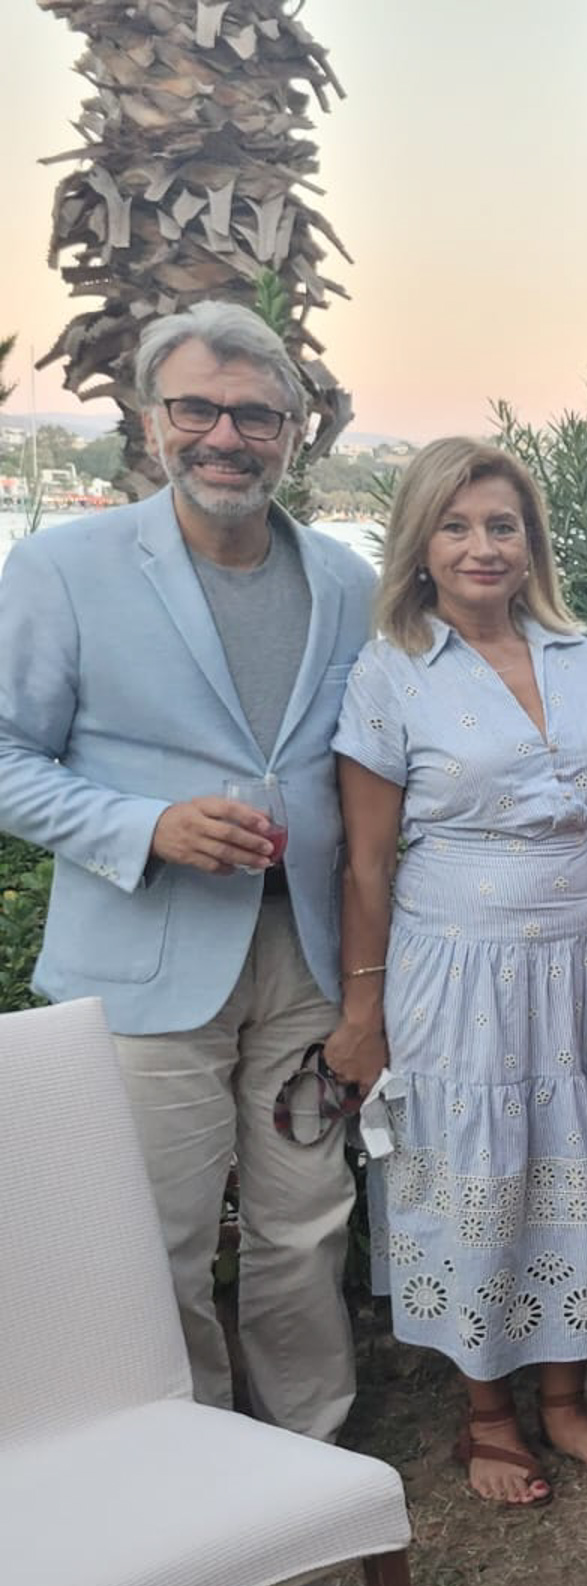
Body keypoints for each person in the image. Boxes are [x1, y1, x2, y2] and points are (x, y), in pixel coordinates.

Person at [0, 301, 373, 1443]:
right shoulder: (63, 566)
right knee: (156, 1231)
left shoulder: (346, 582)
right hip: (144, 958)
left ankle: (309, 1444)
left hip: (305, 955)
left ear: (294, 432)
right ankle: (191, 1446)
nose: (226, 436)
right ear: (151, 417)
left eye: (255, 415)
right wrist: (144, 825)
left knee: (308, 1216)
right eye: (199, 408)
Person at [330, 438, 587, 1507]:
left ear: (531, 540)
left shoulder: (572, 652)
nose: (482, 546)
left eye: (502, 525)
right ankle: (488, 1416)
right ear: (420, 545)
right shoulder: (390, 670)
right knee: (483, 1166)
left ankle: (565, 1397)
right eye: (455, 527)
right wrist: (362, 1011)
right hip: (459, 966)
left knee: (575, 1157)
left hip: (584, 958)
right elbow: (365, 862)